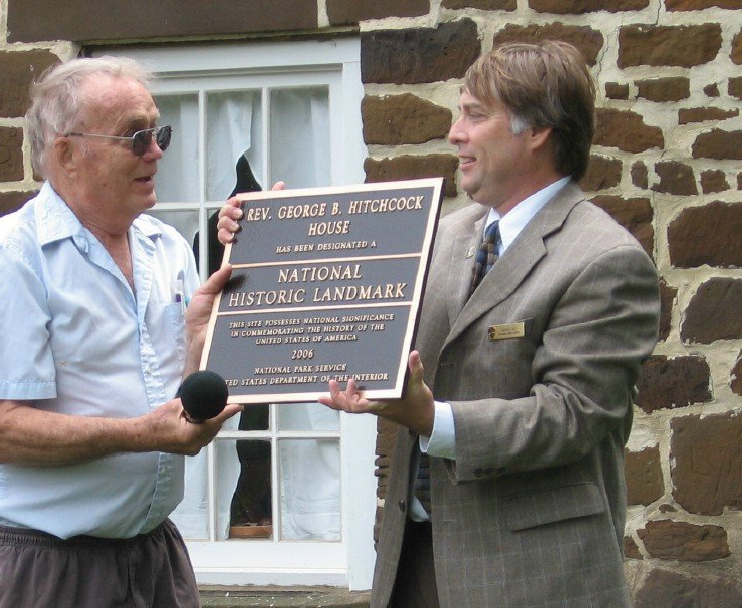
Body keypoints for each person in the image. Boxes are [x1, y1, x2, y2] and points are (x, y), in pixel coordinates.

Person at [218, 41, 660, 607]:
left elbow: (570, 417)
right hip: (415, 560)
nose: (455, 132)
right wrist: (264, 240)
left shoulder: (602, 258)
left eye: (475, 115)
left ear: (538, 130)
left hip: (535, 576)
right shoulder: (448, 232)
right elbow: (353, 311)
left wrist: (432, 418)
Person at [0, 56, 242, 608]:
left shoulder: (168, 248)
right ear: (67, 152)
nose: (155, 151)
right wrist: (144, 434)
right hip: (44, 565)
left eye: (159, 133)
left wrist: (203, 338)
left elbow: (173, 402)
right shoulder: (12, 255)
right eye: (135, 136)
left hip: (152, 553)